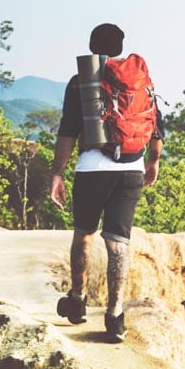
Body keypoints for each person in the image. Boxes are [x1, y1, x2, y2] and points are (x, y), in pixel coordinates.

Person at [50, 23, 163, 343]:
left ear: (90, 45)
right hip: (131, 169)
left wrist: (57, 173)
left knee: (84, 235)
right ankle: (114, 316)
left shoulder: (81, 82)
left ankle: (77, 300)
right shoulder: (141, 82)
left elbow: (67, 132)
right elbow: (156, 128)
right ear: (121, 46)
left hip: (91, 169)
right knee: (118, 243)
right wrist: (152, 162)